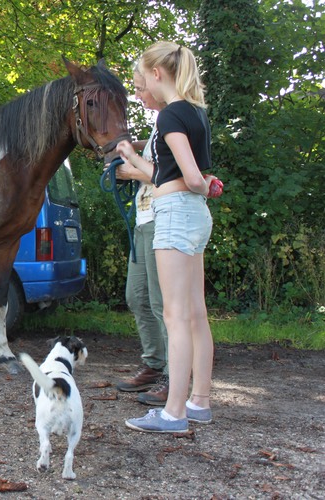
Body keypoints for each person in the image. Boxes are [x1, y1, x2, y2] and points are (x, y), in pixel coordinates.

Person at [116, 41, 219, 433]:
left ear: (157, 74)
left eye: (144, 77)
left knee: (175, 317)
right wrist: (134, 157)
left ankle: (173, 413)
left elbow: (191, 177)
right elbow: (170, 171)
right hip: (194, 217)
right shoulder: (196, 113)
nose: (143, 86)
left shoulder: (172, 114)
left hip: (175, 214)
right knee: (196, 314)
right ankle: (198, 403)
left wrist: (203, 185)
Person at [114, 69, 169, 406]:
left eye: (139, 87)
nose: (138, 95)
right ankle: (153, 364)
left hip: (162, 219)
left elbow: (163, 171)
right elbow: (152, 154)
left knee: (163, 304)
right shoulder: (160, 123)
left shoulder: (175, 118)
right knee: (137, 296)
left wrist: (126, 167)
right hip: (144, 219)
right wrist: (126, 147)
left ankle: (175, 378)